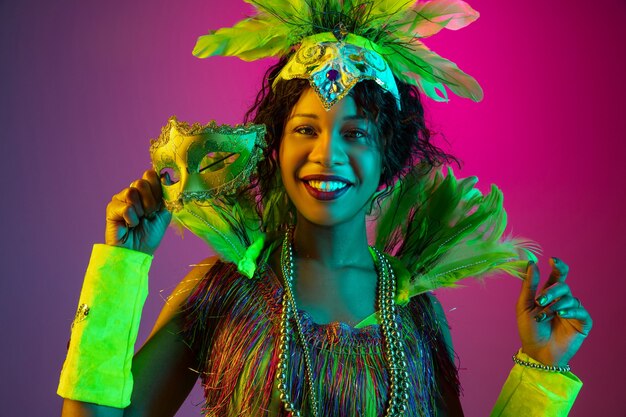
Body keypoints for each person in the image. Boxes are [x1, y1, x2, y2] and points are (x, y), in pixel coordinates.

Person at [58, 1, 592, 416]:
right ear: (276, 149)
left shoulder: (416, 314)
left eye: (355, 133)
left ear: (389, 159)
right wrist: (120, 270)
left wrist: (541, 367)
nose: (326, 155)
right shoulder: (222, 293)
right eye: (305, 129)